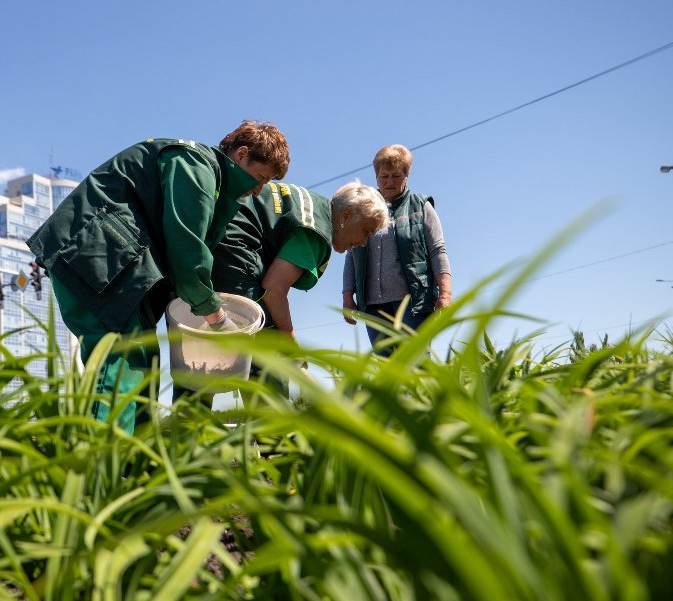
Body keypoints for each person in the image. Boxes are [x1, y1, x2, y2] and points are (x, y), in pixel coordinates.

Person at [27, 121, 290, 432]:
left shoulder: (213, 181)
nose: (258, 189)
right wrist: (219, 319)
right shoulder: (195, 165)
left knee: (142, 360)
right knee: (121, 358)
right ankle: (100, 466)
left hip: (118, 264)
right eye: (260, 178)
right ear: (242, 154)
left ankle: (135, 464)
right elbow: (187, 247)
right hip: (97, 255)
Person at [173, 179, 388, 402]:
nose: (364, 242)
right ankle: (271, 431)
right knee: (266, 352)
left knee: (199, 355)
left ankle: (186, 426)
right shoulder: (316, 230)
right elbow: (273, 289)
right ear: (345, 216)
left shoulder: (310, 206)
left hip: (202, 250)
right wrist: (288, 337)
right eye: (366, 231)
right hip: (234, 261)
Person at [342, 144, 452, 354]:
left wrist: (445, 293)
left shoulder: (421, 206)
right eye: (384, 176)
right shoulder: (363, 210)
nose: (390, 182)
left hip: (414, 302)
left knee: (416, 362)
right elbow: (351, 255)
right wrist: (348, 296)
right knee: (386, 367)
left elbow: (438, 250)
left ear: (407, 175)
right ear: (376, 177)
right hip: (374, 305)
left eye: (396, 176)